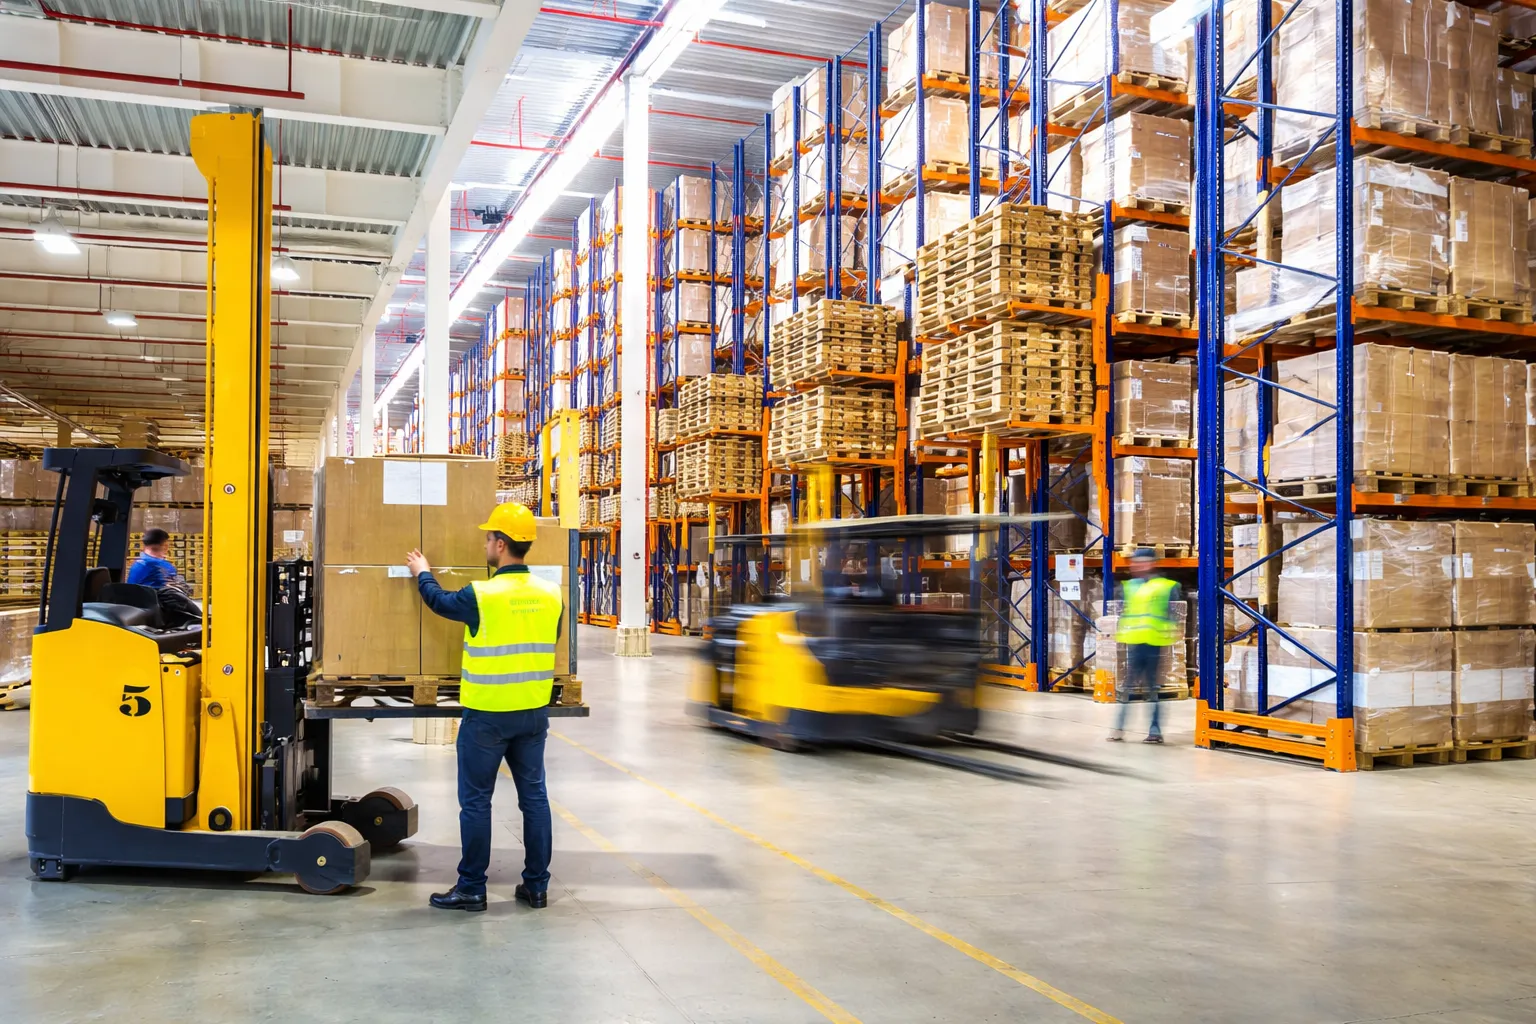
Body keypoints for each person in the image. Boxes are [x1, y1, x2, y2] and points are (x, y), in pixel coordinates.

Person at [406, 502, 563, 913]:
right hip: (533, 714)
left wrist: (422, 571)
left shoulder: (483, 594)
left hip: (487, 716)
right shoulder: (551, 593)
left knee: (476, 801)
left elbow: (439, 602)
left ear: (500, 544)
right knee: (535, 799)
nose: (484, 544)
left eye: (488, 538)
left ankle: (472, 888)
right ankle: (537, 887)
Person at [1108, 548, 1180, 744]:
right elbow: (1124, 611)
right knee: (1127, 688)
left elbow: (1173, 615)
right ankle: (1119, 728)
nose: (1137, 566)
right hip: (1134, 643)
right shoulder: (1128, 587)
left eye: (1142, 562)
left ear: (1151, 564)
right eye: (1135, 562)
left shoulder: (1165, 586)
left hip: (1154, 645)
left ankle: (1155, 731)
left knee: (1152, 690)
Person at [126, 528, 201, 628]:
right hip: (159, 609)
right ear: (164, 545)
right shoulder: (160, 565)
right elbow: (172, 588)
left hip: (139, 606)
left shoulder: (137, 564)